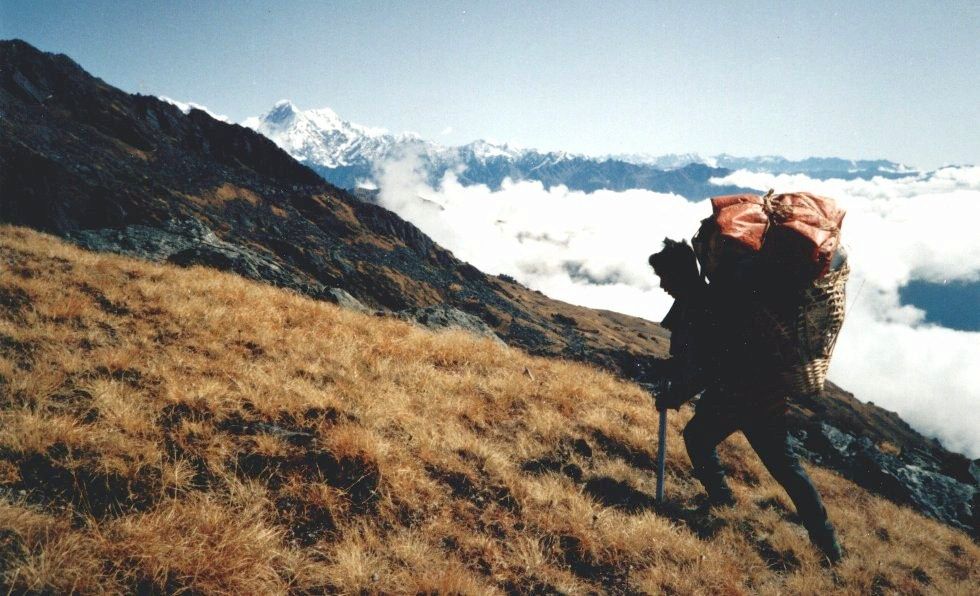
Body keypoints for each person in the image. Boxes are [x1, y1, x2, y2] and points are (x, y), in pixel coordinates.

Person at [649, 238, 844, 564]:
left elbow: (708, 365)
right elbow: (698, 360)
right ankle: (827, 544)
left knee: (701, 439)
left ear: (680, 274)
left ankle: (725, 500)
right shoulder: (705, 300)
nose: (661, 284)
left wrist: (675, 395)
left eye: (664, 277)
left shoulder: (703, 305)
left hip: (739, 397)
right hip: (761, 396)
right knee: (786, 469)